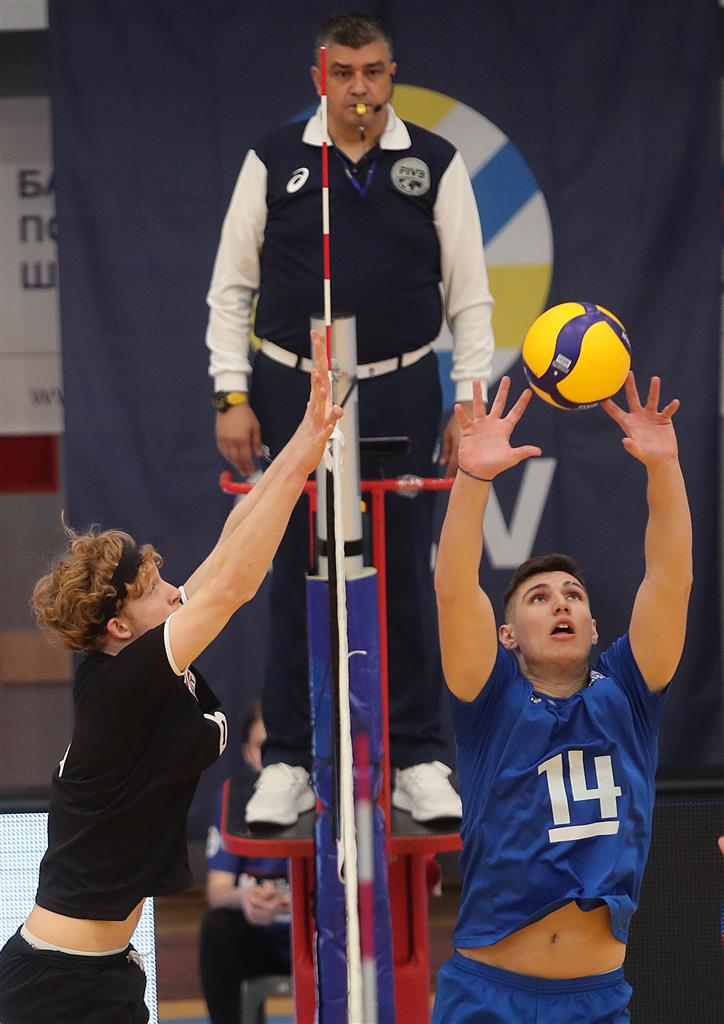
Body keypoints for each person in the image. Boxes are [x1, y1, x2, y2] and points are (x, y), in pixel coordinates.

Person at [205, 11, 495, 826]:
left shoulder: (434, 162)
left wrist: (469, 398)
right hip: (292, 389)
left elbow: (471, 296)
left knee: (402, 573)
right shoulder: (275, 159)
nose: (358, 88)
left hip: (400, 386)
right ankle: (288, 759)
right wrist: (231, 394)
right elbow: (231, 288)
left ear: (391, 74)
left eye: (372, 72)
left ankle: (418, 756)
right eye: (343, 74)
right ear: (319, 80)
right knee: (292, 572)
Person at [0, 337, 340, 1024]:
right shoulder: (116, 688)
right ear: (119, 627)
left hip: (104, 973)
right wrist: (305, 459)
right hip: (55, 987)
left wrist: (303, 442)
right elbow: (233, 586)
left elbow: (226, 552)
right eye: (154, 590)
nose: (176, 592)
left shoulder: (150, 667)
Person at [432, 373, 692, 1023]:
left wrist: (663, 467)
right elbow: (455, 590)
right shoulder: (489, 698)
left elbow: (670, 579)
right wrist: (474, 478)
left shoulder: (629, 693)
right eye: (540, 598)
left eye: (573, 595)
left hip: (595, 1000)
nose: (561, 605)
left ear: (595, 627)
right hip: (487, 995)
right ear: (508, 635)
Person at [200, 702, 291, 1024]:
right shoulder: (234, 797)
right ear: (249, 753)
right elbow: (217, 890)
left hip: (319, 934)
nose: (275, 757)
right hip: (260, 939)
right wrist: (246, 897)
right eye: (265, 747)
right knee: (216, 928)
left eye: (284, 745)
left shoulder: (328, 796)